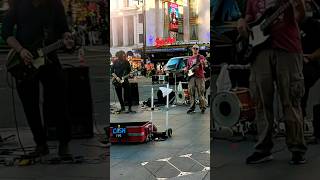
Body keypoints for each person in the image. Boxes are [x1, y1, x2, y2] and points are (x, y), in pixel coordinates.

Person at [1, 0, 74, 157]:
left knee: (59, 100)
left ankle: (64, 143)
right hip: (25, 61)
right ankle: (40, 144)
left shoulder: (54, 5)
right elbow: (6, 32)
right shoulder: (19, 5)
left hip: (49, 58)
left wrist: (67, 38)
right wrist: (20, 50)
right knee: (29, 105)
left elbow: (64, 30)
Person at [237, 0, 307, 164]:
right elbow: (249, 18)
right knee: (261, 101)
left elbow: (300, 16)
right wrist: (241, 23)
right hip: (260, 51)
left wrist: (300, 7)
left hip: (287, 48)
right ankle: (263, 148)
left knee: (291, 100)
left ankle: (297, 148)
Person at [300, 0, 320, 140]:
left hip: (312, 62)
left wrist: (310, 57)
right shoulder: (292, 25)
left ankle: (302, 117)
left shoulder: (315, 25)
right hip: (295, 61)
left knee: (303, 77)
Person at [185, 44, 207, 114]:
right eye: (194, 48)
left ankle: (203, 107)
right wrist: (186, 69)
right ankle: (192, 108)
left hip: (199, 77)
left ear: (198, 50)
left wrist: (203, 63)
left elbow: (205, 65)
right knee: (191, 92)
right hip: (191, 77)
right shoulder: (189, 59)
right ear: (192, 49)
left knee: (201, 92)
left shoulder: (201, 57)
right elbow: (188, 67)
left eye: (197, 48)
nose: (195, 50)